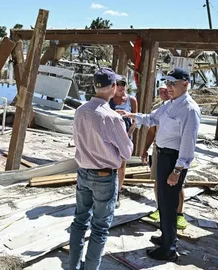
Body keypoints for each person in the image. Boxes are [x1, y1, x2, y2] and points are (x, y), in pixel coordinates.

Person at [120, 68, 200, 262]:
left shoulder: (189, 109)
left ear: (185, 83)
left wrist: (177, 171)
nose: (169, 87)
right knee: (163, 203)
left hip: (174, 160)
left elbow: (188, 145)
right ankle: (166, 236)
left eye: (174, 83)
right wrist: (131, 116)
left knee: (170, 204)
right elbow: (151, 119)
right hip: (162, 156)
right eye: (168, 83)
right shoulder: (169, 105)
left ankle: (169, 248)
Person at [69, 67, 134, 270]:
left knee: (79, 222)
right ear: (113, 87)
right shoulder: (112, 117)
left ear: (95, 86)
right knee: (99, 228)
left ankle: (73, 266)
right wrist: (129, 126)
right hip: (104, 177)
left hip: (83, 172)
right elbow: (127, 152)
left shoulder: (80, 110)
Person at [143, 84, 188, 230]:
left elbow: (188, 138)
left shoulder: (183, 109)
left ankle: (179, 214)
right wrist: (145, 149)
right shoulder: (160, 109)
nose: (163, 92)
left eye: (166, 90)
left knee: (177, 184)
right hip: (159, 150)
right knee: (158, 180)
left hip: (175, 152)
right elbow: (151, 130)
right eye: (161, 90)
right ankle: (160, 209)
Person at [109, 74, 138, 208]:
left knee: (121, 166)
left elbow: (135, 121)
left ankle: (117, 193)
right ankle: (106, 191)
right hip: (110, 137)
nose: (120, 87)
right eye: (118, 84)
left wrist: (127, 135)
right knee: (108, 164)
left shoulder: (131, 100)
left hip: (125, 137)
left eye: (123, 84)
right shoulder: (109, 100)